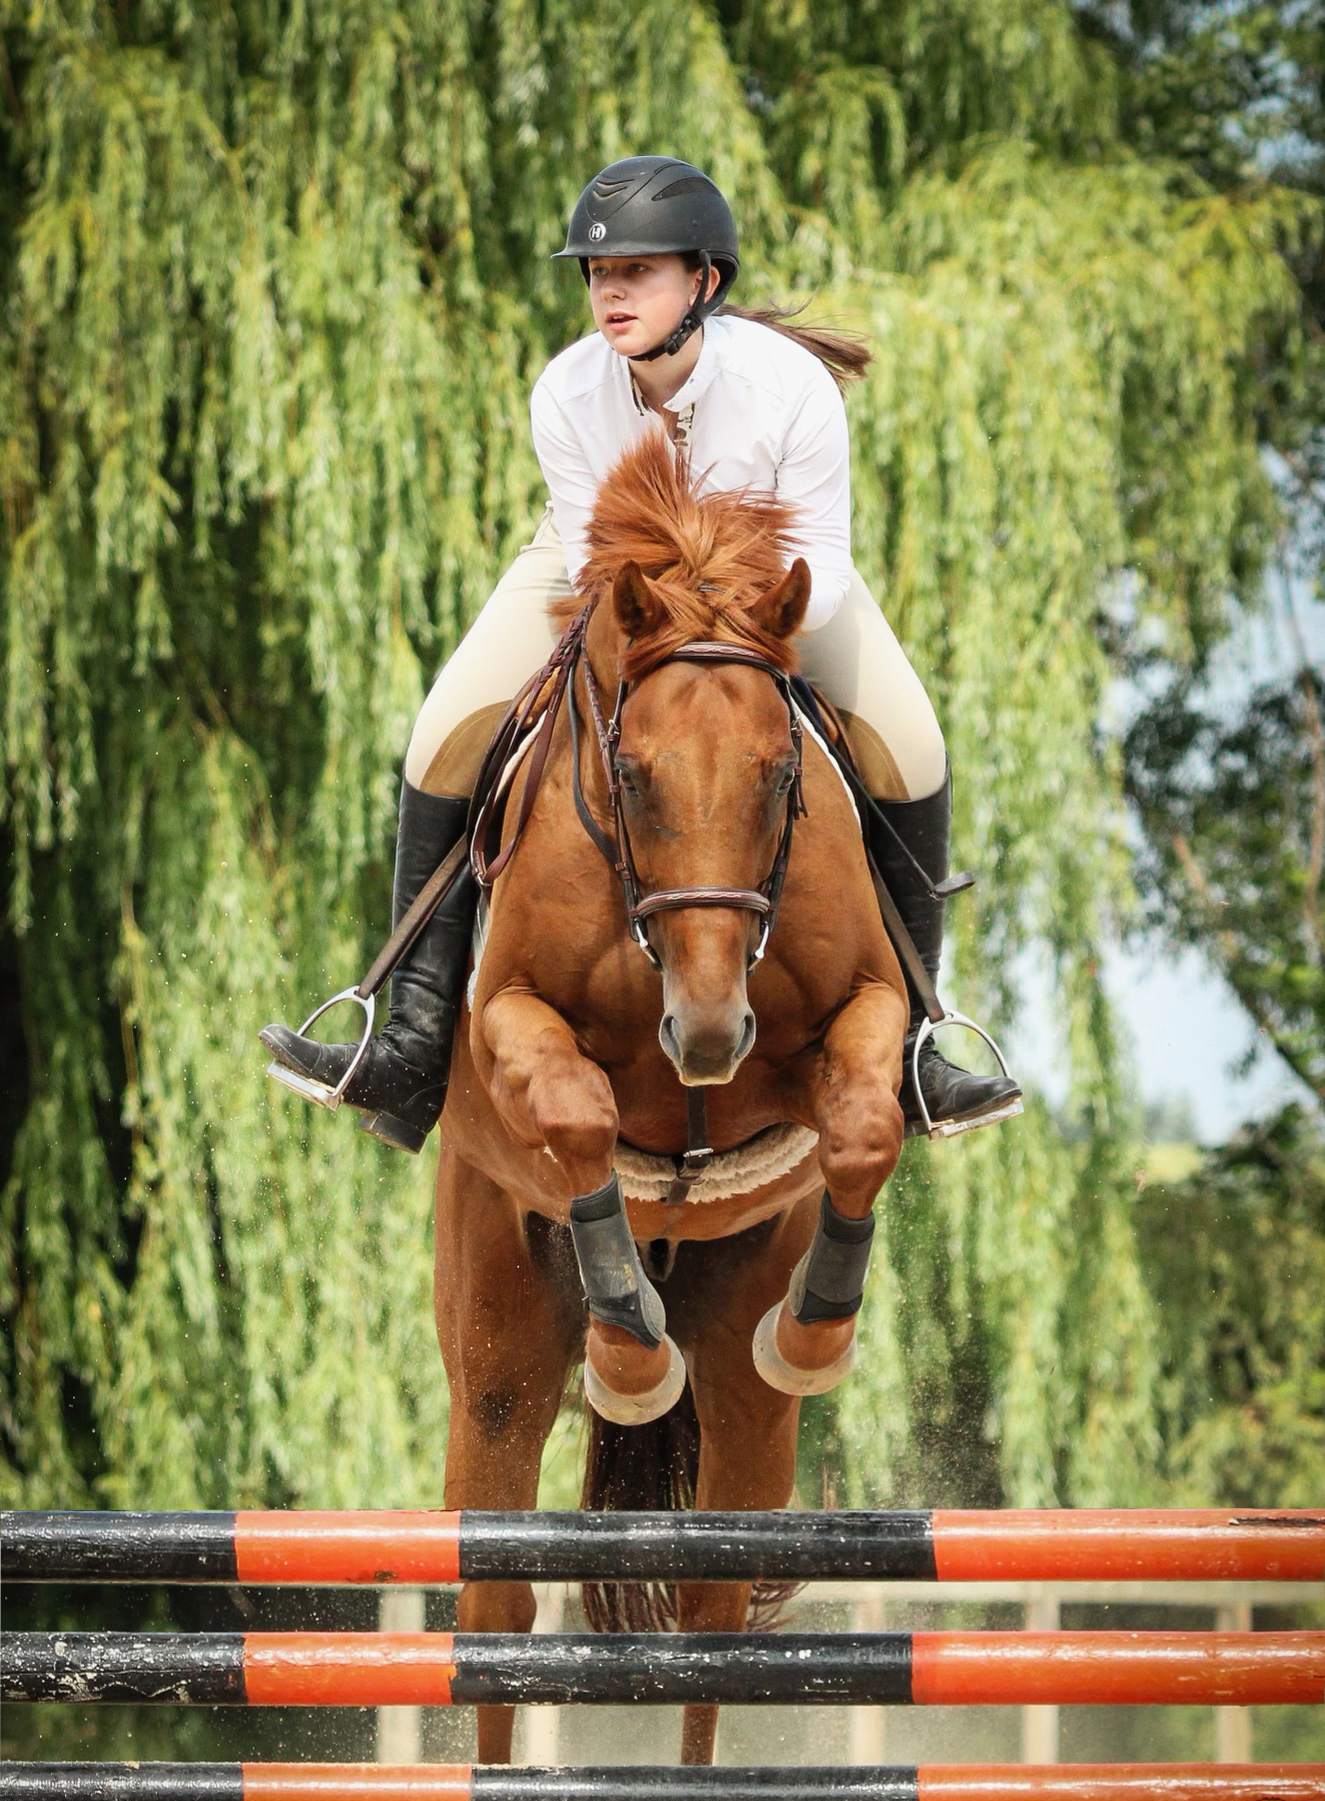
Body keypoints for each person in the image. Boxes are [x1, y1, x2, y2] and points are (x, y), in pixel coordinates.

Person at [262, 156, 1022, 1153]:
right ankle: (406, 1045)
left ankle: (920, 1047)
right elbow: (592, 566)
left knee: (913, 745)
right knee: (441, 731)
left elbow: (823, 559)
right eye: (595, 274)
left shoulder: (788, 386)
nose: (609, 293)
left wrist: (743, 621)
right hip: (604, 575)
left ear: (704, 281)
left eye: (638, 272)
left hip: (772, 582)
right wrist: (660, 623)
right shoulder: (567, 390)